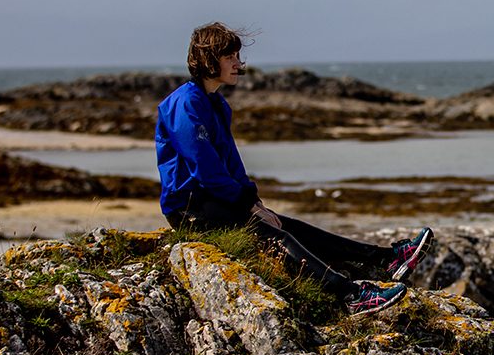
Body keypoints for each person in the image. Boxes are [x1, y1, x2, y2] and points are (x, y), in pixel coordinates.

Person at [155, 21, 431, 315]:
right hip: (190, 208)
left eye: (237, 56)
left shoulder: (217, 104)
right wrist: (245, 204)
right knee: (278, 238)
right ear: (209, 60)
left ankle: (385, 259)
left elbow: (230, 161)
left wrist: (253, 200)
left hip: (213, 200)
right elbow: (204, 166)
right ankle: (351, 296)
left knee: (287, 226)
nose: (238, 63)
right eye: (229, 57)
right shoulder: (183, 104)